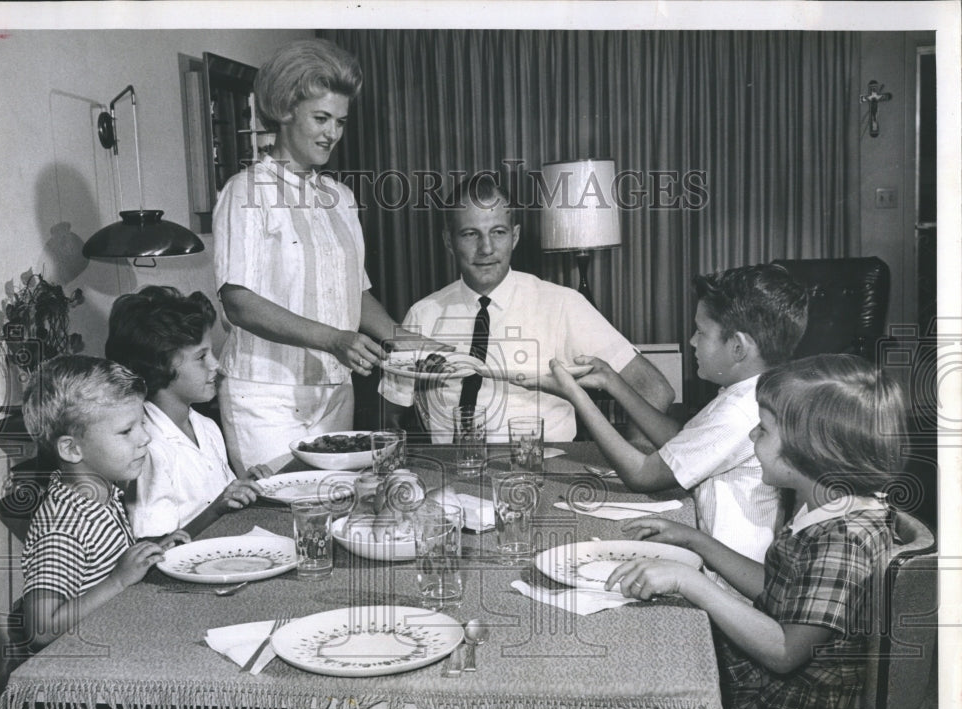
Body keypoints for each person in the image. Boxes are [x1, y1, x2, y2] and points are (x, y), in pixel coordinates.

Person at [605, 354, 905, 709]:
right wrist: (697, 542)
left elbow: (783, 652)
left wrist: (690, 583)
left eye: (762, 430)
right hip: (784, 693)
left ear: (810, 451)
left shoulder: (844, 541)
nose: (750, 438)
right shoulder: (828, 508)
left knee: (644, 693)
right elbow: (779, 589)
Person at [213, 39, 421, 472]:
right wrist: (334, 339)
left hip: (333, 391)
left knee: (332, 511)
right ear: (286, 111)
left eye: (340, 122)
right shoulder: (247, 191)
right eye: (321, 118)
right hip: (265, 396)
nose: (333, 133)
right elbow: (238, 300)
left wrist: (413, 344)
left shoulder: (341, 198)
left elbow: (354, 294)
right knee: (279, 519)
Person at [540, 264, 808, 562]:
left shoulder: (738, 413)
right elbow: (681, 443)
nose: (693, 341)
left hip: (725, 577)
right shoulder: (752, 392)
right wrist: (612, 382)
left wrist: (578, 398)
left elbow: (643, 475)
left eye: (701, 331)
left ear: (737, 347)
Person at [378, 174, 674, 442]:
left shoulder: (562, 304)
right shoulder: (423, 314)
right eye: (470, 234)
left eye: (498, 232)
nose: (486, 249)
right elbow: (392, 413)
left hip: (544, 470)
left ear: (515, 236)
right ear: (448, 241)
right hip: (455, 477)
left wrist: (636, 458)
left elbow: (654, 388)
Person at [19, 355, 188, 651]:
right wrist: (118, 581)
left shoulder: (99, 495)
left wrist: (152, 549)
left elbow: (106, 562)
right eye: (127, 431)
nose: (145, 438)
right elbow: (40, 629)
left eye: (142, 424)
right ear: (72, 449)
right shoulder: (63, 527)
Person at [105, 286, 265, 540]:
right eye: (201, 357)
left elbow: (219, 498)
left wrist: (247, 486)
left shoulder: (205, 426)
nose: (216, 365)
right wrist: (217, 509)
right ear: (160, 366)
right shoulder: (147, 447)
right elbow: (155, 545)